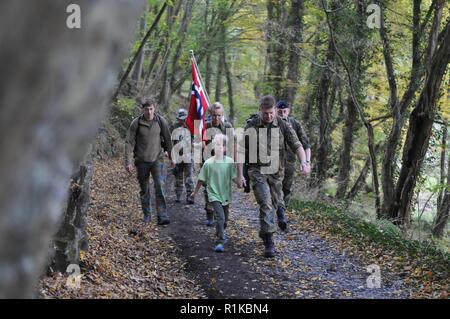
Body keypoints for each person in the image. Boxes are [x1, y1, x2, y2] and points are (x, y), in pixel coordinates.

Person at [236, 95, 310, 258]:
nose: (268, 116)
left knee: (276, 203)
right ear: (260, 111)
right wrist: (240, 175)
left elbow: (297, 145)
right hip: (257, 171)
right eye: (265, 113)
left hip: (277, 172)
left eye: (271, 113)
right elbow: (241, 152)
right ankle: (269, 241)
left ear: (275, 111)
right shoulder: (252, 126)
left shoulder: (283, 125)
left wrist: (304, 163)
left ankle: (270, 227)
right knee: (265, 203)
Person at [125, 97, 173, 225]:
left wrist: (173, 157)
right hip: (141, 161)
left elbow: (168, 139)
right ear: (143, 110)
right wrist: (128, 161)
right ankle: (147, 215)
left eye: (151, 109)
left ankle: (162, 216)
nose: (149, 112)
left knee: (159, 187)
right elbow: (129, 142)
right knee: (144, 189)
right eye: (147, 109)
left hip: (157, 159)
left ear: (154, 109)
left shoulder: (160, 121)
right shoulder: (136, 123)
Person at [191, 134, 238, 252]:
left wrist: (241, 182)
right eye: (215, 144)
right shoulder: (208, 163)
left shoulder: (230, 162)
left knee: (224, 221)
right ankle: (220, 242)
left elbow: (234, 178)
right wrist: (194, 193)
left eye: (220, 145)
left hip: (225, 195)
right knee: (220, 218)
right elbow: (201, 179)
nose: (217, 147)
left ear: (225, 148)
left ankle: (220, 232)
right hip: (213, 195)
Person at [202, 102, 235, 227]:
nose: (216, 118)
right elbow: (199, 142)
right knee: (209, 188)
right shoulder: (205, 126)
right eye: (214, 115)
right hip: (208, 162)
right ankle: (210, 213)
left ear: (222, 115)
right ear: (210, 115)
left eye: (219, 115)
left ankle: (223, 217)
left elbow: (233, 144)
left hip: (223, 163)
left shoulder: (227, 126)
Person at [276, 100, 311, 208]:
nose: (282, 114)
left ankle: (282, 210)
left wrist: (307, 162)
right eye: (280, 111)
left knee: (286, 188)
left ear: (288, 111)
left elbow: (306, 145)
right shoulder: (271, 123)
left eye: (284, 111)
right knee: (274, 186)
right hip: (273, 162)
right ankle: (275, 211)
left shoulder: (295, 124)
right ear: (275, 111)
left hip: (289, 162)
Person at [170, 108, 195, 204]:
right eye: (180, 119)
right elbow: (170, 140)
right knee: (178, 176)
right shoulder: (174, 127)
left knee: (189, 177)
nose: (182, 121)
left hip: (188, 155)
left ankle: (190, 196)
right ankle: (178, 195)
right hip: (177, 155)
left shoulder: (190, 127)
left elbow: (196, 138)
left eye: (184, 119)